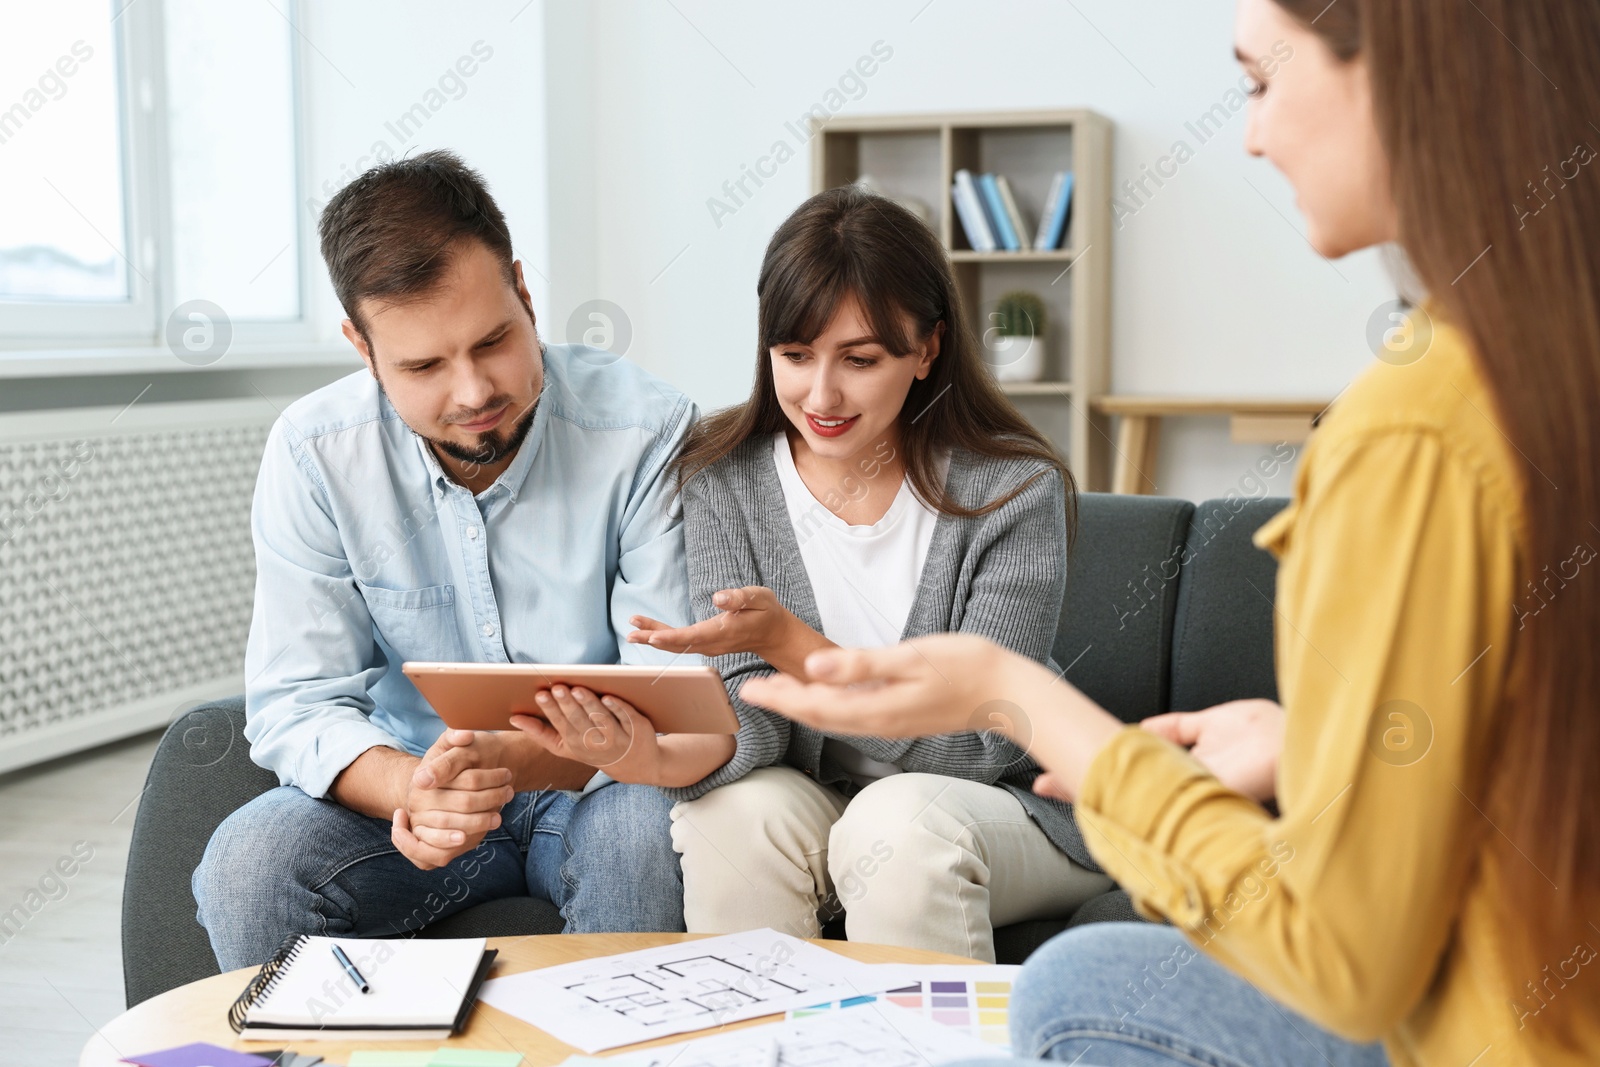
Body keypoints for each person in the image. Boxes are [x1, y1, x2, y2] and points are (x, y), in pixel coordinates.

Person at [736, 0, 1600, 1064]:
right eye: (796, 352)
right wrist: (1310, 746)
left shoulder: (1415, 429)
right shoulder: (1545, 361)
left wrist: (1018, 696)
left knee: (1071, 988)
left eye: (1261, 80)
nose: (1251, 132)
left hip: (1497, 1028)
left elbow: (1344, 957)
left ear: (1399, 78)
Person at [514, 185, 1112, 963]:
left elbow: (975, 740)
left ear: (927, 348)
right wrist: (650, 758)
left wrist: (799, 649)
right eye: (795, 356)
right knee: (729, 819)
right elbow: (750, 712)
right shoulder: (723, 474)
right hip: (821, 796)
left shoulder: (1013, 487)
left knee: (897, 825)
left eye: (860, 360)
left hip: (1004, 804)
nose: (821, 395)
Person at [192, 151, 695, 969]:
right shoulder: (316, 452)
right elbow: (294, 701)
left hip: (598, 786)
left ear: (525, 294)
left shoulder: (648, 431)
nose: (472, 392)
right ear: (363, 347)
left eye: (493, 340)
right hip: (419, 791)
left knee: (646, 839)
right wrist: (411, 788)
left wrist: (512, 760)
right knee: (251, 865)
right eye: (423, 365)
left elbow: (668, 690)